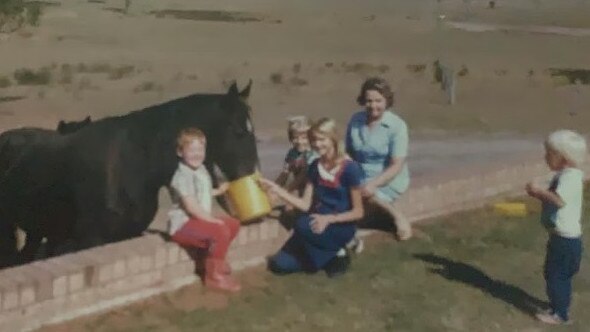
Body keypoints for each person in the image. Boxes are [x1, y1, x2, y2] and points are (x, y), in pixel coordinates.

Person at [259, 118, 364, 278]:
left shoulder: (350, 168)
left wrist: (329, 219)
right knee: (279, 265)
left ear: (333, 138)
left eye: (322, 139)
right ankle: (330, 257)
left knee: (301, 225)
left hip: (338, 224)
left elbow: (358, 212)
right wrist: (278, 191)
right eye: (314, 140)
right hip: (314, 223)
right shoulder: (315, 166)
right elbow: (305, 205)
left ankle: (340, 253)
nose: (317, 144)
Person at [167, 128, 241, 292]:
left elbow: (202, 193)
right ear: (180, 152)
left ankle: (212, 262)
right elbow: (191, 206)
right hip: (182, 226)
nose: (197, 154)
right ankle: (214, 276)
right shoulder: (182, 176)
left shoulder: (200, 169)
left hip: (197, 220)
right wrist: (212, 220)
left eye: (200, 150)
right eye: (191, 150)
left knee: (233, 224)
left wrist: (219, 191)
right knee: (219, 231)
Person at [526, 129, 587, 325]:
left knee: (556, 276)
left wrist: (537, 192)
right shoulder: (567, 174)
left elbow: (558, 201)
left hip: (565, 240)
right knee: (555, 274)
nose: (545, 157)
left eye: (550, 154)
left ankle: (559, 314)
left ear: (564, 158)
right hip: (563, 238)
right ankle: (557, 307)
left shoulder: (570, 178)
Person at [345, 77, 412, 241]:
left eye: (378, 101)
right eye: (368, 101)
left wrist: (374, 184)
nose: (373, 106)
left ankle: (396, 216)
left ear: (387, 101)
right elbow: (348, 152)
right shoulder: (356, 121)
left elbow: (397, 164)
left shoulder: (397, 126)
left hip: (387, 177)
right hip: (361, 174)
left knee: (363, 195)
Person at [275, 115, 318, 195]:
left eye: (304, 138)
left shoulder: (314, 153)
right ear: (290, 138)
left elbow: (303, 175)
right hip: (301, 189)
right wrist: (274, 187)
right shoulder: (292, 153)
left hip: (316, 189)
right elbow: (285, 172)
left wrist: (287, 190)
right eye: (295, 138)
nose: (299, 141)